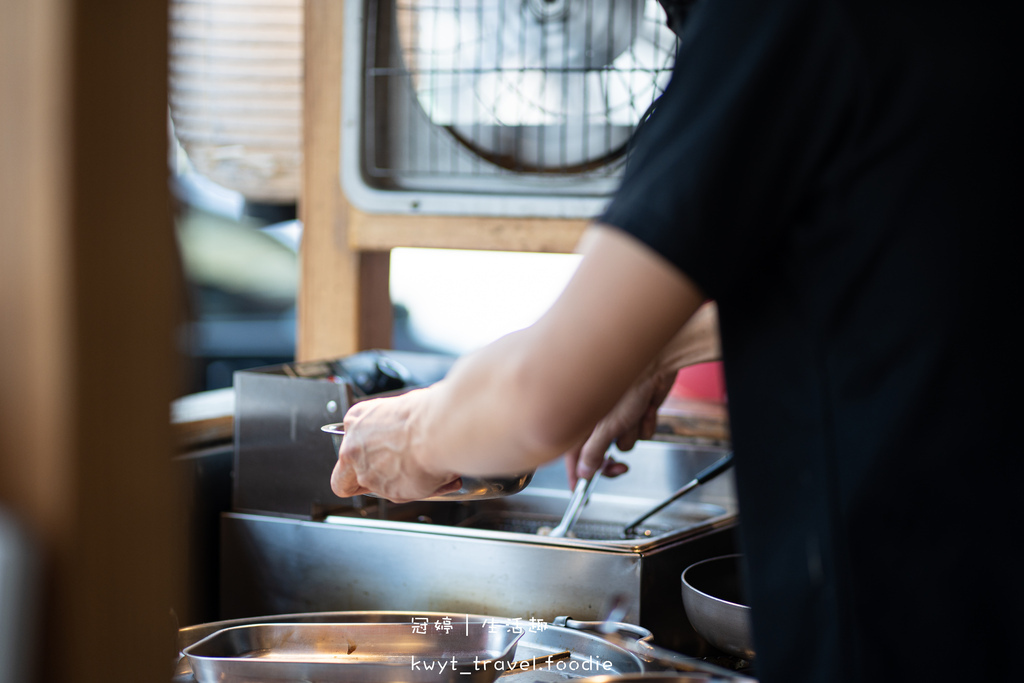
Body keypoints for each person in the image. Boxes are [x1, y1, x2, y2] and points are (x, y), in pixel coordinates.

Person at [331, 0, 1020, 680]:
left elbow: (536, 396)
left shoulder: (776, 21)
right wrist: (654, 345)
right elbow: (897, 272)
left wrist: (415, 431)